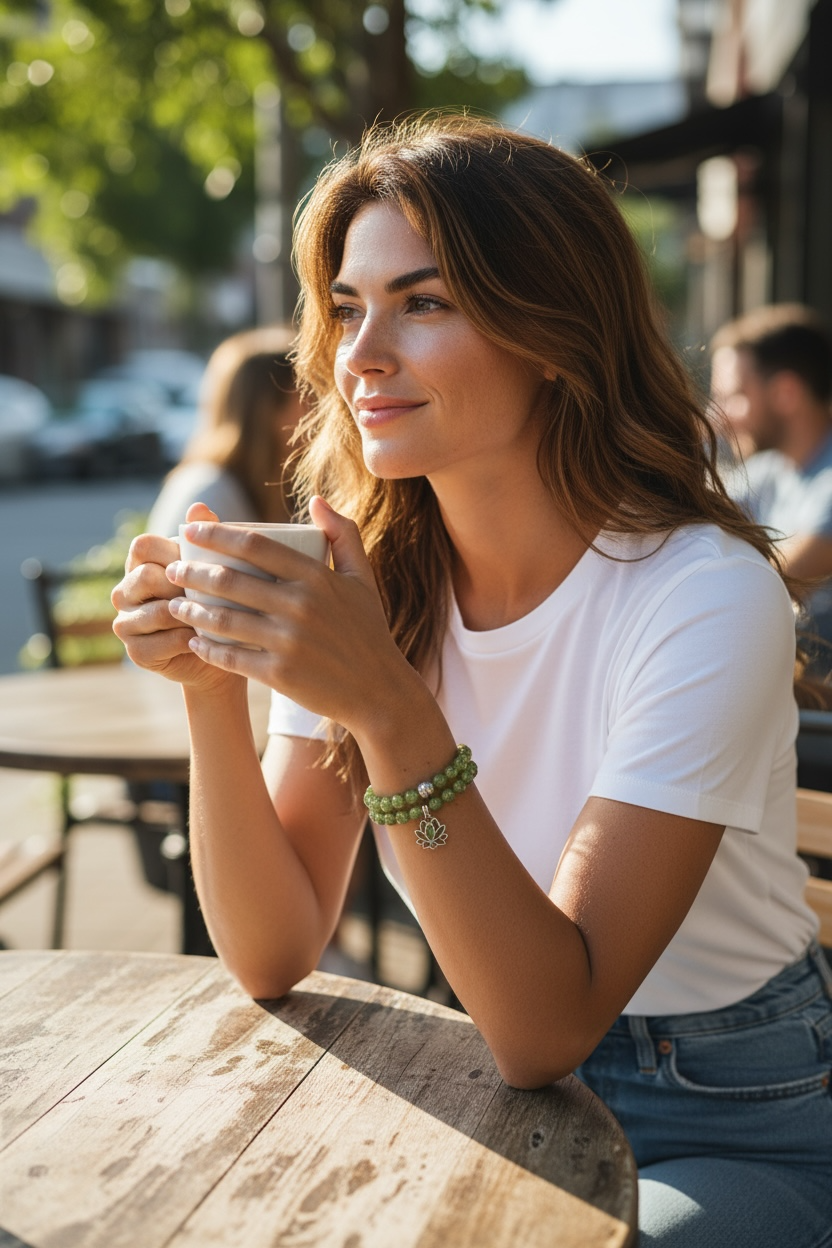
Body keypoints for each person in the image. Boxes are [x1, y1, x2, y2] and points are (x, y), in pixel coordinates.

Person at [112, 114, 832, 1247]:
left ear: (552, 331)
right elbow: (272, 946)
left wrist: (390, 707)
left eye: (424, 302)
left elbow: (548, 1022)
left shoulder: (704, 594)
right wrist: (213, 689)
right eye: (348, 308)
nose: (359, 355)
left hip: (723, 1117)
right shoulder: (374, 575)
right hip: (487, 1076)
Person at [711, 304, 832, 672]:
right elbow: (683, 520)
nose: (719, 415)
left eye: (733, 396)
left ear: (787, 393)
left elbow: (779, 580)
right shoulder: (769, 470)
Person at [146, 325, 303, 537]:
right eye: (307, 392)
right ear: (266, 408)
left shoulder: (281, 489)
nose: (322, 406)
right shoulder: (208, 491)